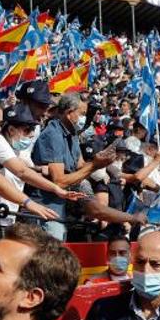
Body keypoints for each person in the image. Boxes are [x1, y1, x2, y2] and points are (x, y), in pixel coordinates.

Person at [0, 103, 82, 243]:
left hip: (7, 214)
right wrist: (55, 189)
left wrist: (41, 171)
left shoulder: (20, 149)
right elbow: (21, 171)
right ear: (11, 129)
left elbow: (28, 169)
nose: (30, 135)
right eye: (27, 129)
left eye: (32, 129)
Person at [28, 92, 115, 240]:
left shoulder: (72, 134)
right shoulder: (52, 135)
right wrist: (94, 165)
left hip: (61, 205)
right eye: (82, 113)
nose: (85, 118)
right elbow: (59, 181)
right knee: (50, 253)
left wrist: (100, 161)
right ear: (69, 113)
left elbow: (80, 166)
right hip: (46, 207)